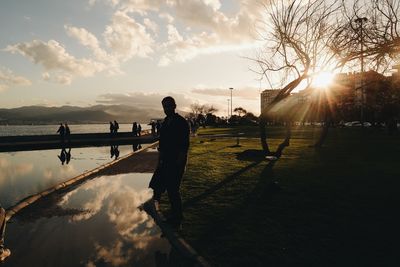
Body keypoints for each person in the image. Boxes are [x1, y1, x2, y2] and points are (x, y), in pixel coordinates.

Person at [149, 96, 190, 227]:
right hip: (165, 160)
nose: (166, 109)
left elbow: (185, 144)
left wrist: (180, 161)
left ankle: (177, 218)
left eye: (168, 106)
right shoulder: (165, 122)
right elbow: (162, 143)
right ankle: (155, 206)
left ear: (174, 106)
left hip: (176, 161)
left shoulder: (181, 122)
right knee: (157, 183)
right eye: (164, 106)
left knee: (173, 190)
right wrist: (160, 159)